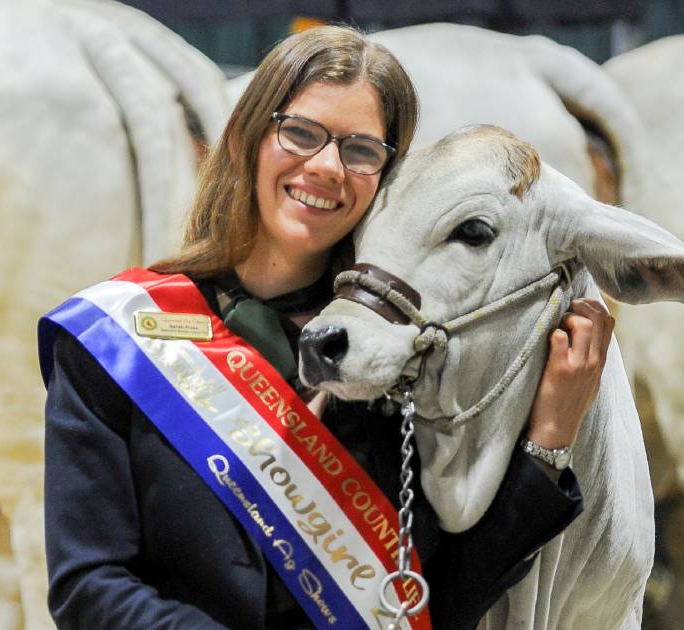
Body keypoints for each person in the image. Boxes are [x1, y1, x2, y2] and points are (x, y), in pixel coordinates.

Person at [40, 25, 615, 629]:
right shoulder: (119, 340)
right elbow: (89, 585)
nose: (326, 167)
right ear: (243, 140)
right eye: (301, 132)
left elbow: (436, 601)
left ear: (387, 177)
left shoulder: (404, 354)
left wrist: (550, 437)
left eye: (360, 149)